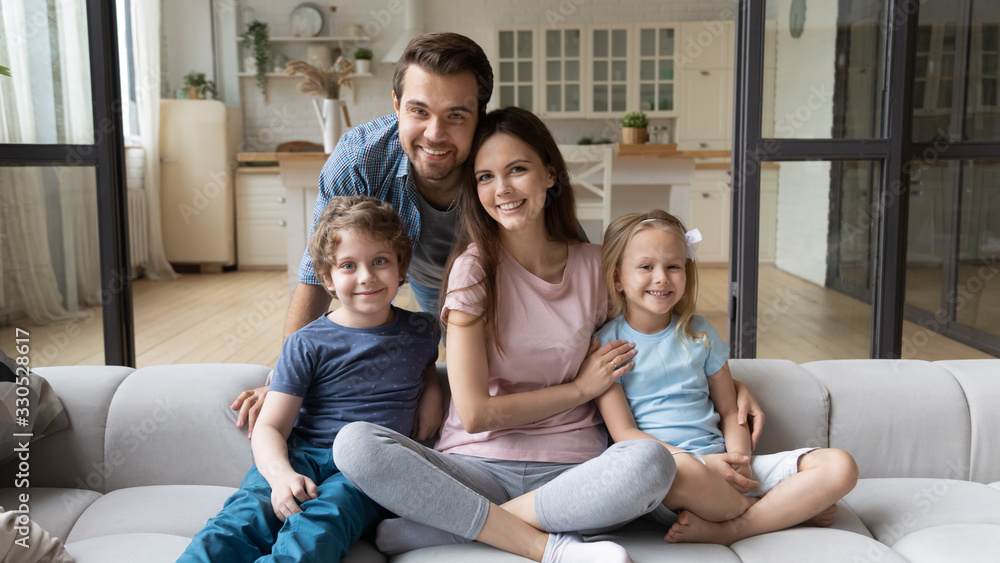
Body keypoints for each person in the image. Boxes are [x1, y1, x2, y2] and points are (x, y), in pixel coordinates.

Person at [331, 107, 681, 562]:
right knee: (355, 444)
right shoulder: (472, 270)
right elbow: (476, 414)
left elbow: (656, 334)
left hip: (575, 474)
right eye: (485, 177)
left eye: (517, 169)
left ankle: (460, 528)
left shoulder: (599, 266)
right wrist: (578, 389)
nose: (503, 190)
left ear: (550, 174)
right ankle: (544, 547)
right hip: (474, 467)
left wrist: (727, 384)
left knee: (651, 463)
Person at [229, 32, 492, 433]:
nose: (435, 134)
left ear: (481, 114)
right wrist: (282, 383)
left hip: (498, 275)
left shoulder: (505, 153)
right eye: (419, 111)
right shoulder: (359, 158)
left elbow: (558, 256)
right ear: (396, 105)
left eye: (456, 115)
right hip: (421, 271)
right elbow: (317, 269)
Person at [179, 196, 443, 562]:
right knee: (240, 521)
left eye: (380, 261)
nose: (366, 276)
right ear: (327, 279)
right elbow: (270, 426)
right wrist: (281, 476)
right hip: (300, 456)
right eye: (348, 265)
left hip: (368, 470)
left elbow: (426, 363)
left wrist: (430, 390)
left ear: (402, 267)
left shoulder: (422, 330)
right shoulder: (307, 343)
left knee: (319, 525)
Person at [593, 209, 859, 545]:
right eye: (646, 267)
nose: (661, 277)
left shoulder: (700, 333)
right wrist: (701, 463)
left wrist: (739, 461)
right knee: (685, 473)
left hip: (726, 467)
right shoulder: (606, 346)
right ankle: (780, 509)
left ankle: (735, 526)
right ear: (617, 278)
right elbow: (625, 434)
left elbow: (732, 410)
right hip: (670, 476)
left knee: (840, 465)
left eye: (673, 266)